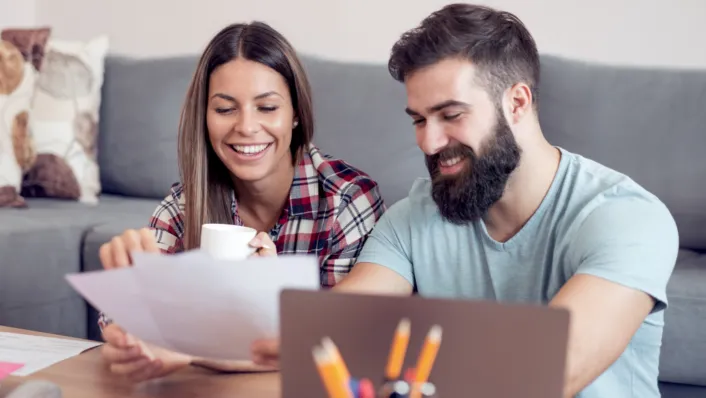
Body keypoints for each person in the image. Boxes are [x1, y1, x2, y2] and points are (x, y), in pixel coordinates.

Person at [251, 4, 679, 398]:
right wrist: (288, 321)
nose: (430, 141)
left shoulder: (627, 218)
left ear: (517, 102)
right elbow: (342, 324)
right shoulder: (412, 219)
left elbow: (552, 371)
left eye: (451, 115)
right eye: (419, 119)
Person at [96, 21, 386, 382]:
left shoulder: (346, 201)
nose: (247, 127)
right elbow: (122, 330)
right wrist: (134, 293)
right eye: (225, 109)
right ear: (204, 117)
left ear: (295, 113)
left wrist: (271, 302)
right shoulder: (183, 206)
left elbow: (340, 340)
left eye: (267, 107)